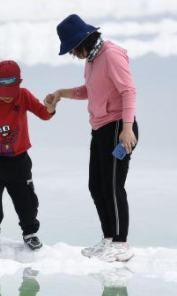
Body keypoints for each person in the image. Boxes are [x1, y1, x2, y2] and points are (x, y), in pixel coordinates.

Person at [45, 14, 139, 262]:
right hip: (99, 129)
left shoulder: (111, 54)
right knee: (96, 185)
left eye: (73, 49)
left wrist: (127, 128)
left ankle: (121, 244)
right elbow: (91, 91)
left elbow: (128, 91)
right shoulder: (92, 59)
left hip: (118, 127)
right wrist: (61, 93)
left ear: (84, 40)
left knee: (112, 185)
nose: (74, 55)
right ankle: (109, 238)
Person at [0, 60, 57, 256]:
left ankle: (30, 233)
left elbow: (43, 114)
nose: (6, 98)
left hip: (19, 161)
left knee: (26, 201)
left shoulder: (24, 96)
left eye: (10, 94)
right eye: (2, 94)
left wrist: (50, 107)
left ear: (18, 85)